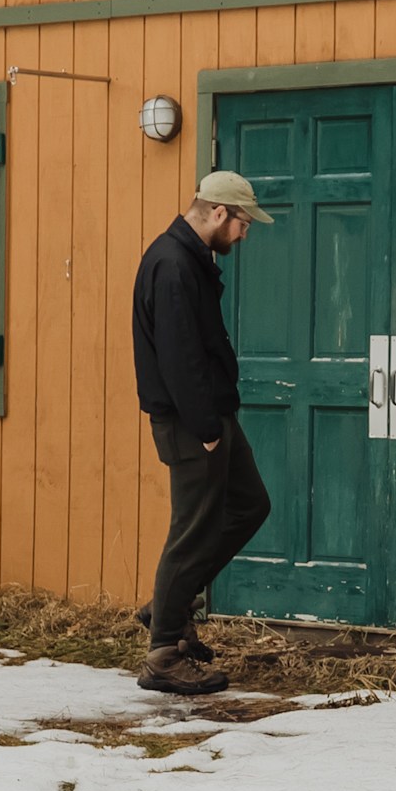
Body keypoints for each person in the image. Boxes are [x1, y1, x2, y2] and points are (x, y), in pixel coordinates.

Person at [130, 168, 275, 695]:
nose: (245, 233)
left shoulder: (190, 259)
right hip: (194, 423)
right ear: (218, 213)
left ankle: (170, 601)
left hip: (212, 417)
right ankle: (164, 654)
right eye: (242, 223)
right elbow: (178, 356)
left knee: (250, 504)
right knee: (190, 532)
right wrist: (206, 427)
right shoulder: (171, 265)